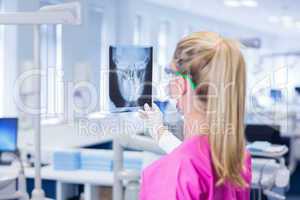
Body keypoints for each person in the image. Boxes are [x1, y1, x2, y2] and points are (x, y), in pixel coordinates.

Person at [138, 32, 252, 200]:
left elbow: (188, 166)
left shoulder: (172, 173)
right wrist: (159, 132)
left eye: (171, 74)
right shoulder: (238, 158)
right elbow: (198, 160)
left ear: (181, 84)